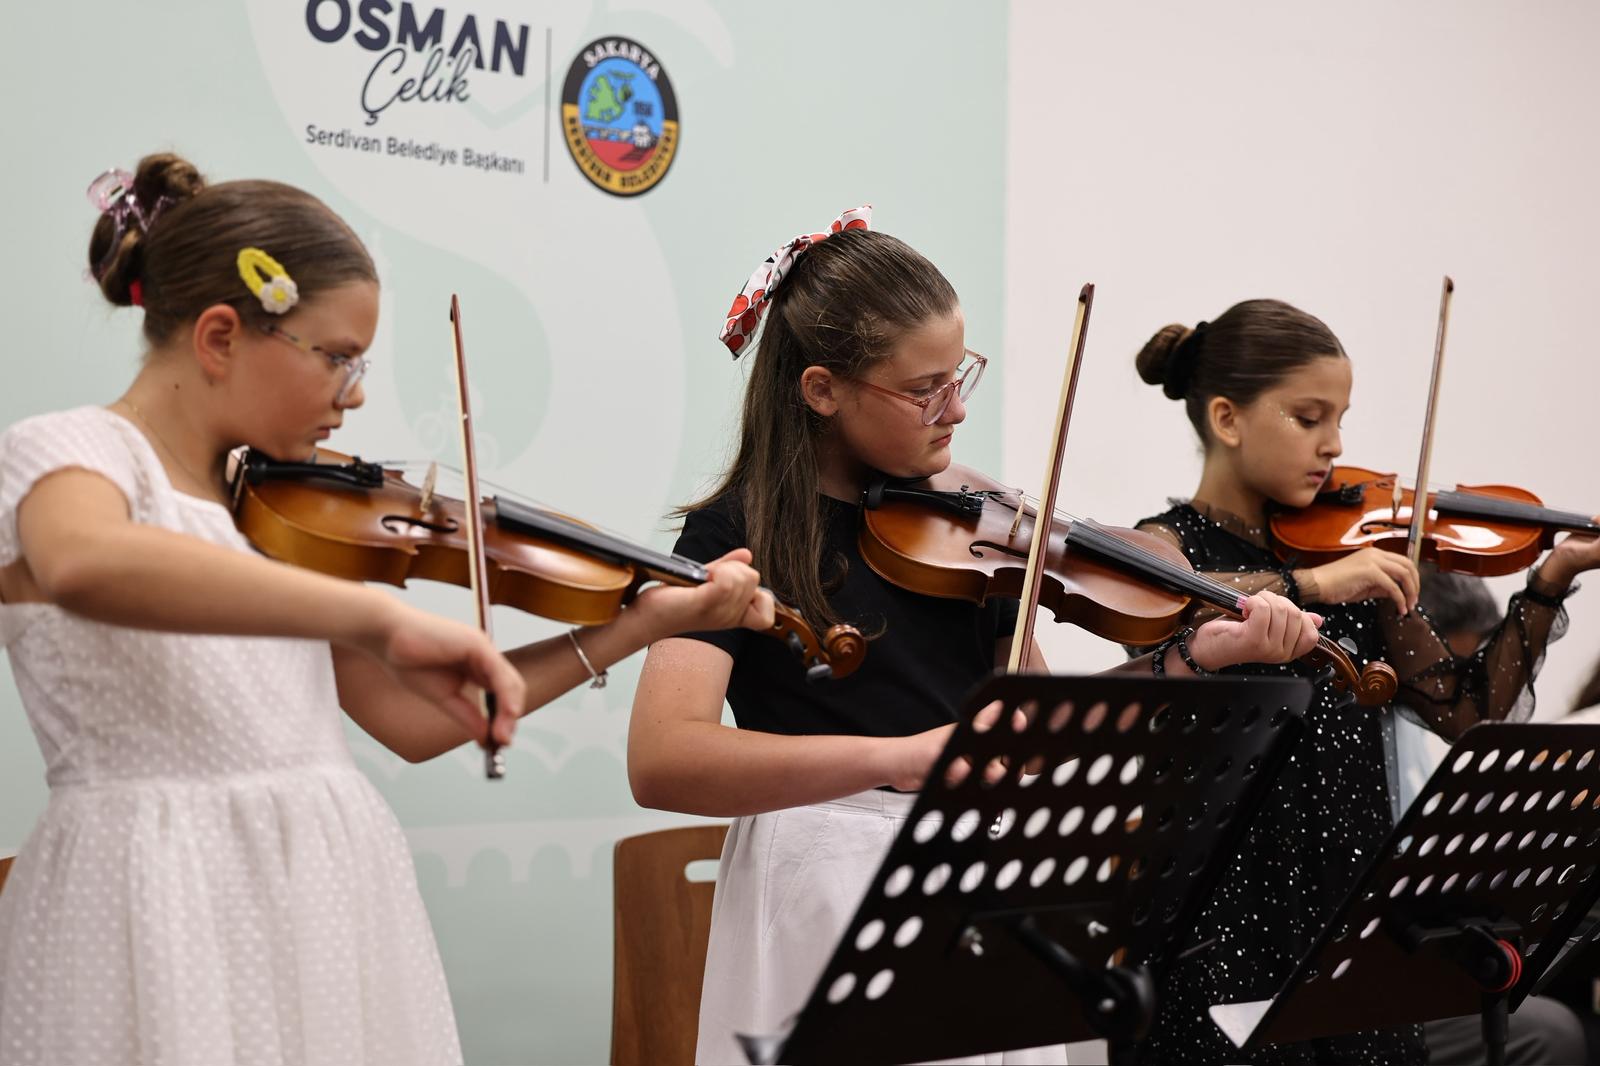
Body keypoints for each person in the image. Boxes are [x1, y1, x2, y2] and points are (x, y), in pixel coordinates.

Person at [0, 153, 771, 1065]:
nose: (357, 392)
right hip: (153, 890)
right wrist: (378, 618)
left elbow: (416, 720)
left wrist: (637, 625)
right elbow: (86, 563)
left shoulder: (279, 507)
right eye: (338, 358)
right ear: (219, 337)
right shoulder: (71, 453)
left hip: (329, 892)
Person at [628, 209, 1329, 1065]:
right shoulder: (733, 534)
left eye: (960, 374)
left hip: (983, 884)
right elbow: (662, 757)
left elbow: (1039, 733)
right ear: (821, 390)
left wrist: (1191, 656)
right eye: (924, 388)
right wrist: (897, 758)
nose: (955, 408)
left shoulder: (972, 532)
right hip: (822, 887)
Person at [1130, 298, 1600, 1063]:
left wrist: (1549, 581)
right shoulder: (1164, 546)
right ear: (1227, 418)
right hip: (1224, 911)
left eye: (1341, 419)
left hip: (1342, 899)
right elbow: (1176, 598)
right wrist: (1316, 583)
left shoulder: (1353, 555)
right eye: (1309, 417)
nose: (1335, 445)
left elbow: (1466, 712)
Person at [1392, 566, 1589, 1065]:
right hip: (1401, 961)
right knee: (1551, 1032)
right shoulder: (1381, 721)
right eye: (1453, 672)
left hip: (1450, 943)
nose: (1467, 697)